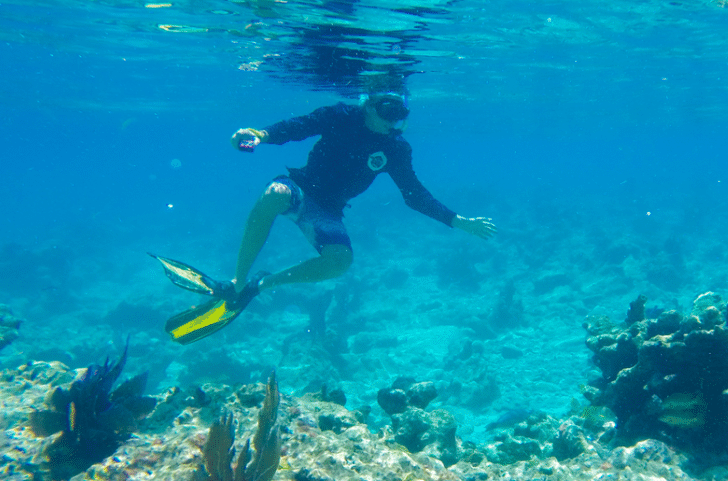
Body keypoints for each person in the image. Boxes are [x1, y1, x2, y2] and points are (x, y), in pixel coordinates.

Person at [154, 82, 495, 344]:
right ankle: (235, 282)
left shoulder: (395, 148)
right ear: (369, 105)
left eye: (401, 112)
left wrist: (456, 220)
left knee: (340, 262)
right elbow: (298, 126)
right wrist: (260, 135)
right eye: (388, 110)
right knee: (274, 194)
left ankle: (257, 287)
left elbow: (414, 194)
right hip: (300, 189)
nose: (395, 121)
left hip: (328, 209)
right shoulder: (340, 116)